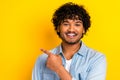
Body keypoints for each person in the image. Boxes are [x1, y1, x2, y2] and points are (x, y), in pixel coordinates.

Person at [32, 2, 107, 80]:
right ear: (58, 28)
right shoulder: (42, 59)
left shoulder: (96, 59)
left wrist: (59, 68)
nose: (71, 29)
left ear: (84, 29)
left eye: (77, 24)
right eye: (66, 24)